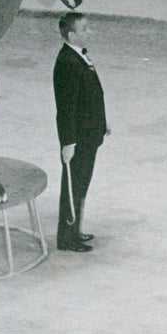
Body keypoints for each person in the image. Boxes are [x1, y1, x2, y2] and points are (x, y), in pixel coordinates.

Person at [54, 13, 110, 253]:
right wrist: (68, 142)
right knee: (73, 186)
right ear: (71, 35)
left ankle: (74, 229)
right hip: (78, 140)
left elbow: (92, 95)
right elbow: (66, 108)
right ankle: (67, 238)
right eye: (84, 29)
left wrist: (102, 122)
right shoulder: (68, 62)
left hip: (89, 134)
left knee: (81, 184)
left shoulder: (79, 56)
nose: (90, 32)